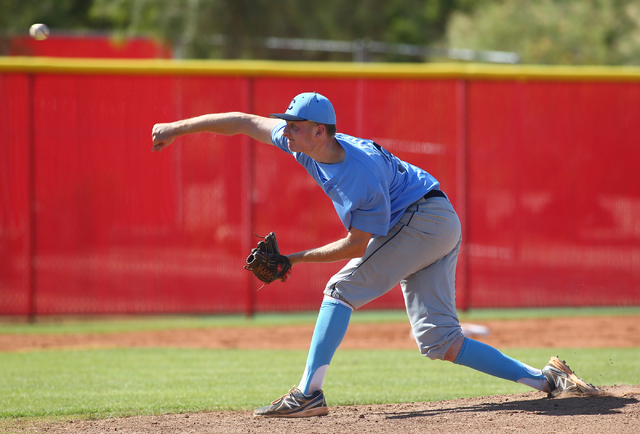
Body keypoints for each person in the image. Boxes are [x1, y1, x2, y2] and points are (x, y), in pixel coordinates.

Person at [151, 92, 598, 418]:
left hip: (423, 220)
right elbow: (244, 121)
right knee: (439, 342)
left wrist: (292, 259)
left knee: (339, 288)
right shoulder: (302, 144)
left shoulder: (357, 174)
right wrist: (176, 129)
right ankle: (547, 379)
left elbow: (356, 245)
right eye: (286, 122)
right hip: (435, 220)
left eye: (295, 123)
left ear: (321, 131)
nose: (286, 128)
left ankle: (309, 394)